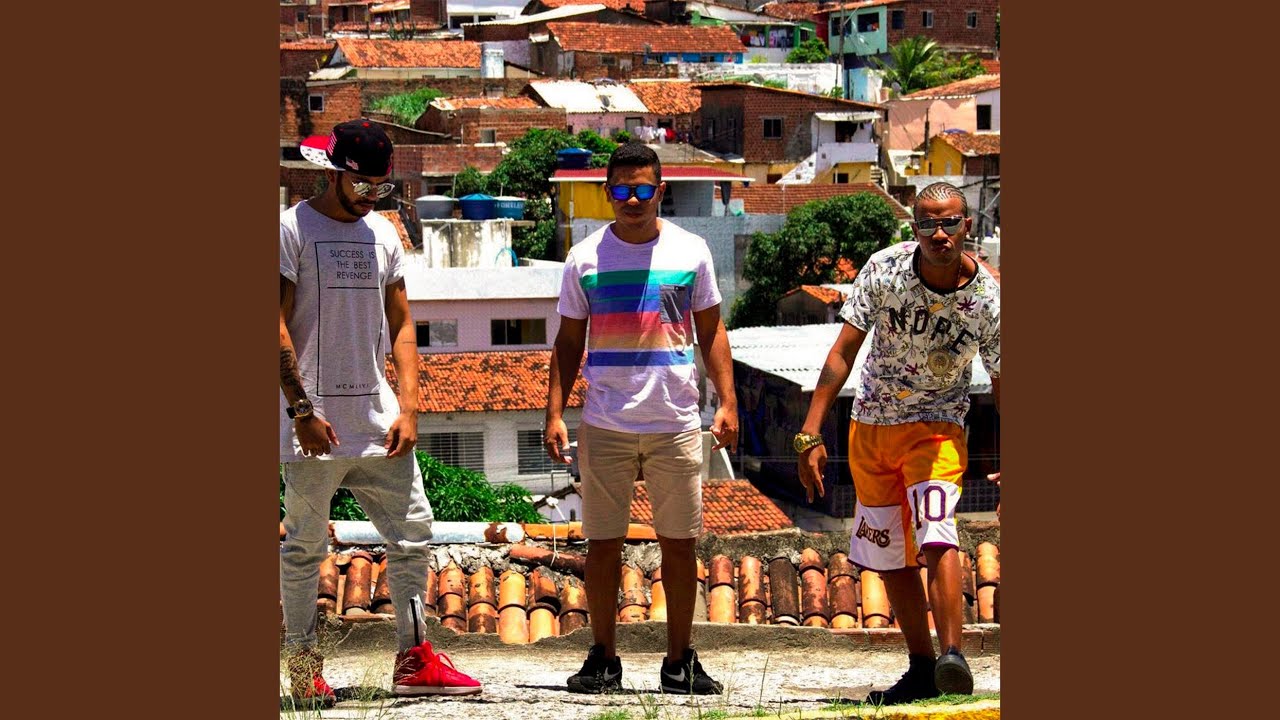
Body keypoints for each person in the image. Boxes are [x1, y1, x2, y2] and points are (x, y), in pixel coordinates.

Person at [279, 118, 482, 706]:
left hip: (379, 420)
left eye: (380, 187)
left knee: (413, 534)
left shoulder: (385, 234)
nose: (370, 195)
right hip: (313, 426)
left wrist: (410, 407)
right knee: (304, 548)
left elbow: (402, 325)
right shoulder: (292, 229)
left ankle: (415, 659)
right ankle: (302, 671)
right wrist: (301, 410)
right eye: (361, 184)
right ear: (333, 173)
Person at [793, 181, 1000, 704]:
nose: (939, 233)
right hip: (871, 428)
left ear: (966, 226)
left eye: (949, 222)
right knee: (888, 556)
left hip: (937, 429)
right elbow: (843, 352)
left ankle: (953, 655)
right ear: (914, 227)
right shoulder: (884, 269)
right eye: (928, 223)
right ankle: (922, 666)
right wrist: (810, 432)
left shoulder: (988, 299)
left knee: (936, 530)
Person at [544, 142, 738, 695]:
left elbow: (711, 331)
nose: (633, 199)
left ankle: (680, 662)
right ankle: (603, 658)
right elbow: (568, 343)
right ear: (608, 193)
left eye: (644, 189)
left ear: (661, 191)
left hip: (675, 419)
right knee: (602, 544)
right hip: (605, 420)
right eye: (623, 189)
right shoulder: (584, 259)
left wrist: (727, 401)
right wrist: (554, 412)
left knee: (680, 544)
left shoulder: (691, 251)